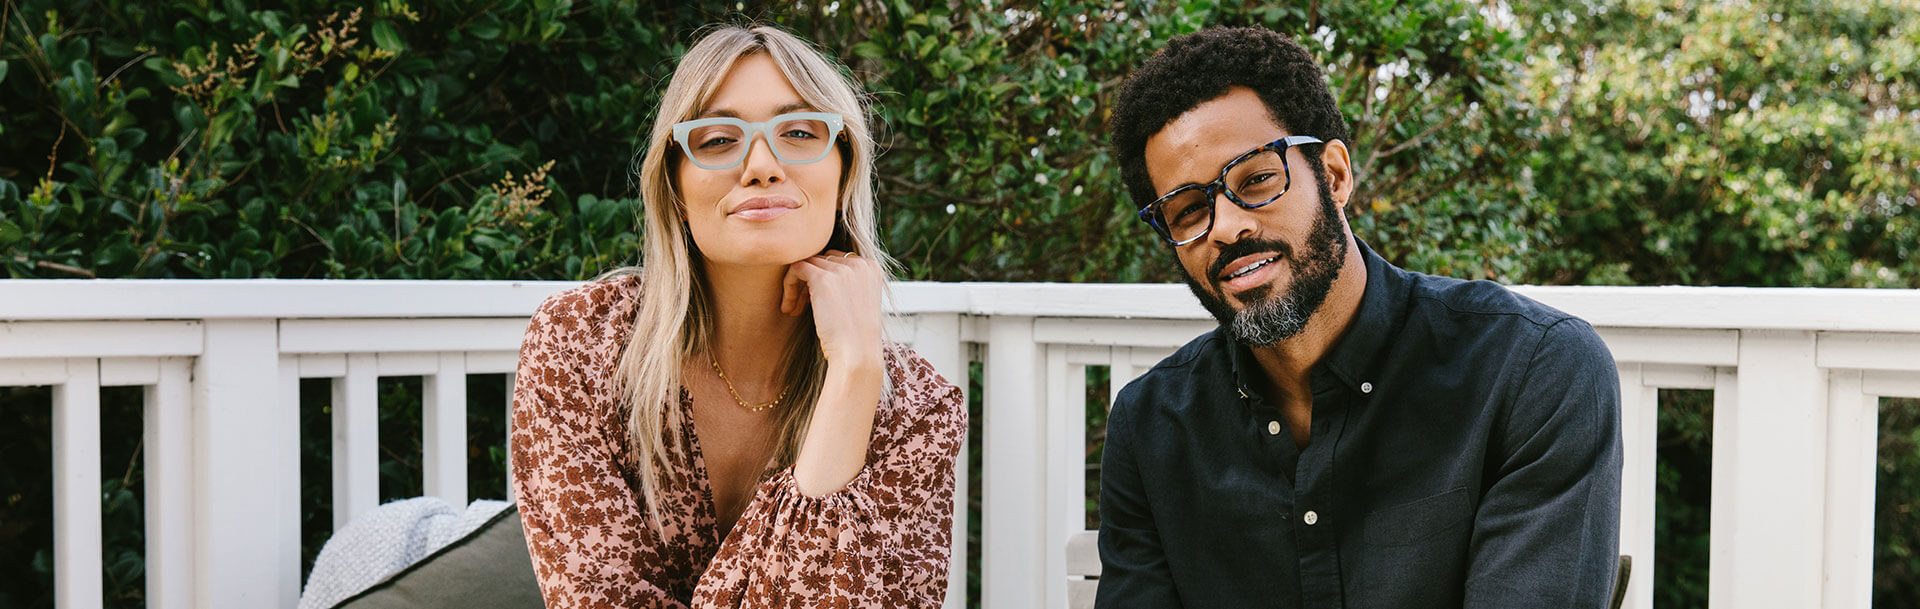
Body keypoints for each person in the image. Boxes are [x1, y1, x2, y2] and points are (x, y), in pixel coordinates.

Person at [1096, 26, 1623, 608]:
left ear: (1335, 175)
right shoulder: (1150, 427)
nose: (1225, 227)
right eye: (1189, 210)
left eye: (1258, 179)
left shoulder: (1531, 372)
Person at [510, 24, 966, 609]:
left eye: (799, 132)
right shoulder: (581, 343)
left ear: (845, 171)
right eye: (720, 139)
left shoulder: (915, 410)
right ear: (674, 184)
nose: (761, 165)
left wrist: (853, 374)